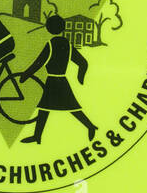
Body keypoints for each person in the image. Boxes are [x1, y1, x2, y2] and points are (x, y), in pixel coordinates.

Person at [19, 14, 97, 144]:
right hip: (59, 81)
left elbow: (39, 63)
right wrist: (80, 77)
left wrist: (25, 75)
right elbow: (83, 63)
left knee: (71, 108)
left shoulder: (51, 44)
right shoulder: (67, 44)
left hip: (54, 82)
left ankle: (90, 126)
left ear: (49, 28)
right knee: (45, 108)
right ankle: (37, 136)